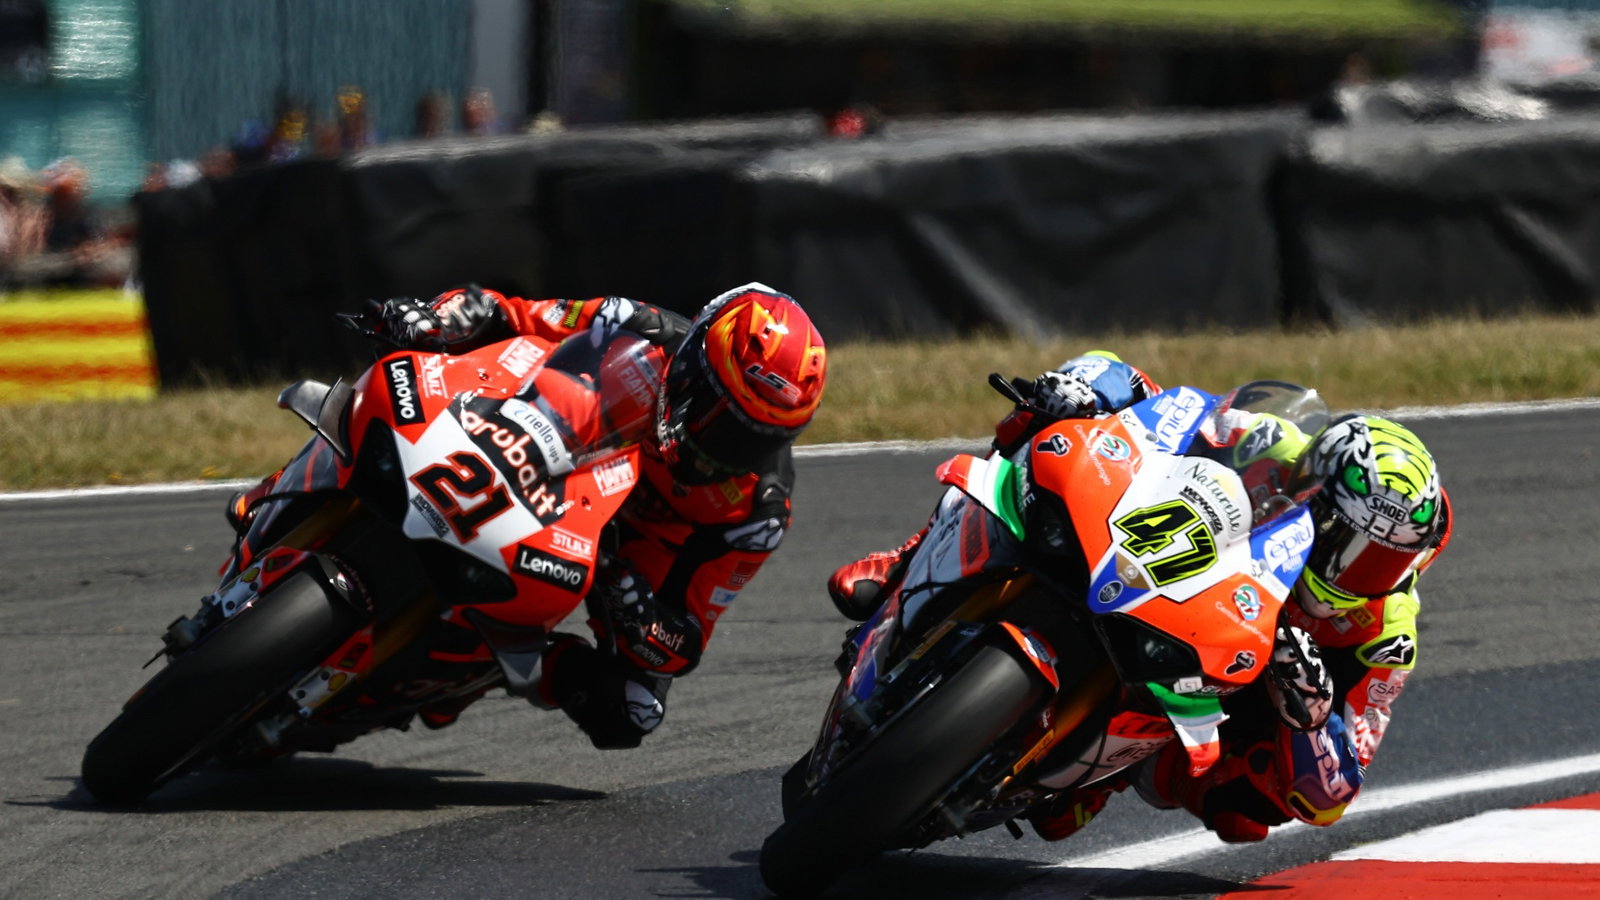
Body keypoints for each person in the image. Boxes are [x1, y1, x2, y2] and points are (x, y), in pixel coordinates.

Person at [827, 351, 1451, 845]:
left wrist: (1310, 718)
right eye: (1346, 543)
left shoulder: (1385, 636)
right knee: (1063, 405)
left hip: (1232, 672)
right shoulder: (1274, 444)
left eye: (1382, 560)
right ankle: (907, 557)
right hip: (1178, 562)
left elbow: (1332, 793)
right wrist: (1088, 391)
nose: (1355, 572)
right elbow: (1175, 408)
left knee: (1248, 814)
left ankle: (1114, 765)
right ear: (1315, 487)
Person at [229, 283, 828, 750]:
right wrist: (436, 319)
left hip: (619, 555)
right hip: (533, 452)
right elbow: (507, 313)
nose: (718, 446)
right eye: (716, 415)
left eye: (751, 439)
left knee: (629, 710)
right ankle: (286, 493)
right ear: (694, 361)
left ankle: (469, 667)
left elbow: (687, 634)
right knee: (392, 381)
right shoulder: (630, 324)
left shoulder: (757, 512)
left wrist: (642, 619)